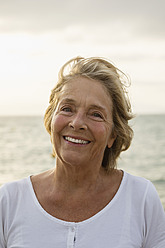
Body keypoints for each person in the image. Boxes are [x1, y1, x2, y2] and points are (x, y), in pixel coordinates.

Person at [0, 56, 165, 248]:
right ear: (51, 121)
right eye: (67, 109)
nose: (77, 123)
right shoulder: (10, 201)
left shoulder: (141, 198)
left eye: (96, 114)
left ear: (113, 134)